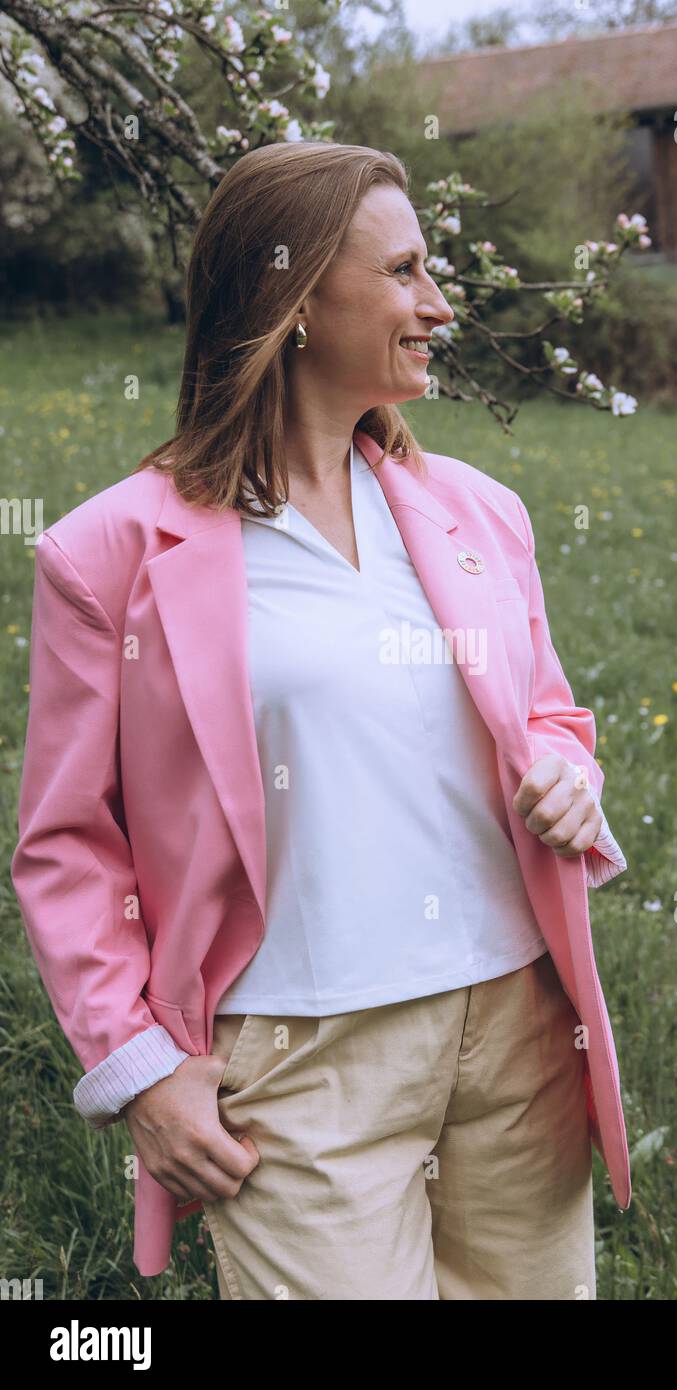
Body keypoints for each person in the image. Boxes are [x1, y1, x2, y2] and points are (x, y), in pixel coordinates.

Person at [11, 141, 631, 1300]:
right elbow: (66, 846)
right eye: (402, 272)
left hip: (517, 1032)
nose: (436, 303)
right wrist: (143, 1070)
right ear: (294, 299)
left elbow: (545, 711)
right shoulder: (111, 556)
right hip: (295, 1066)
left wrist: (562, 769)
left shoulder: (475, 511)